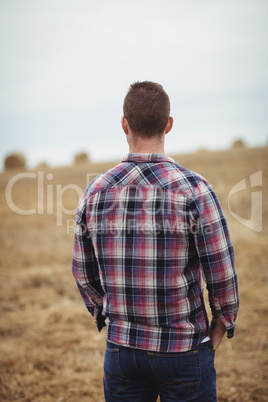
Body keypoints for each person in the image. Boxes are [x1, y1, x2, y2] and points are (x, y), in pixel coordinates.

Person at [72, 81, 239, 401]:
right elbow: (222, 271)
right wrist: (222, 323)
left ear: (124, 125)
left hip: (122, 351)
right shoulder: (194, 188)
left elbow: (83, 272)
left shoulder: (95, 191)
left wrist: (108, 320)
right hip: (184, 350)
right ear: (168, 124)